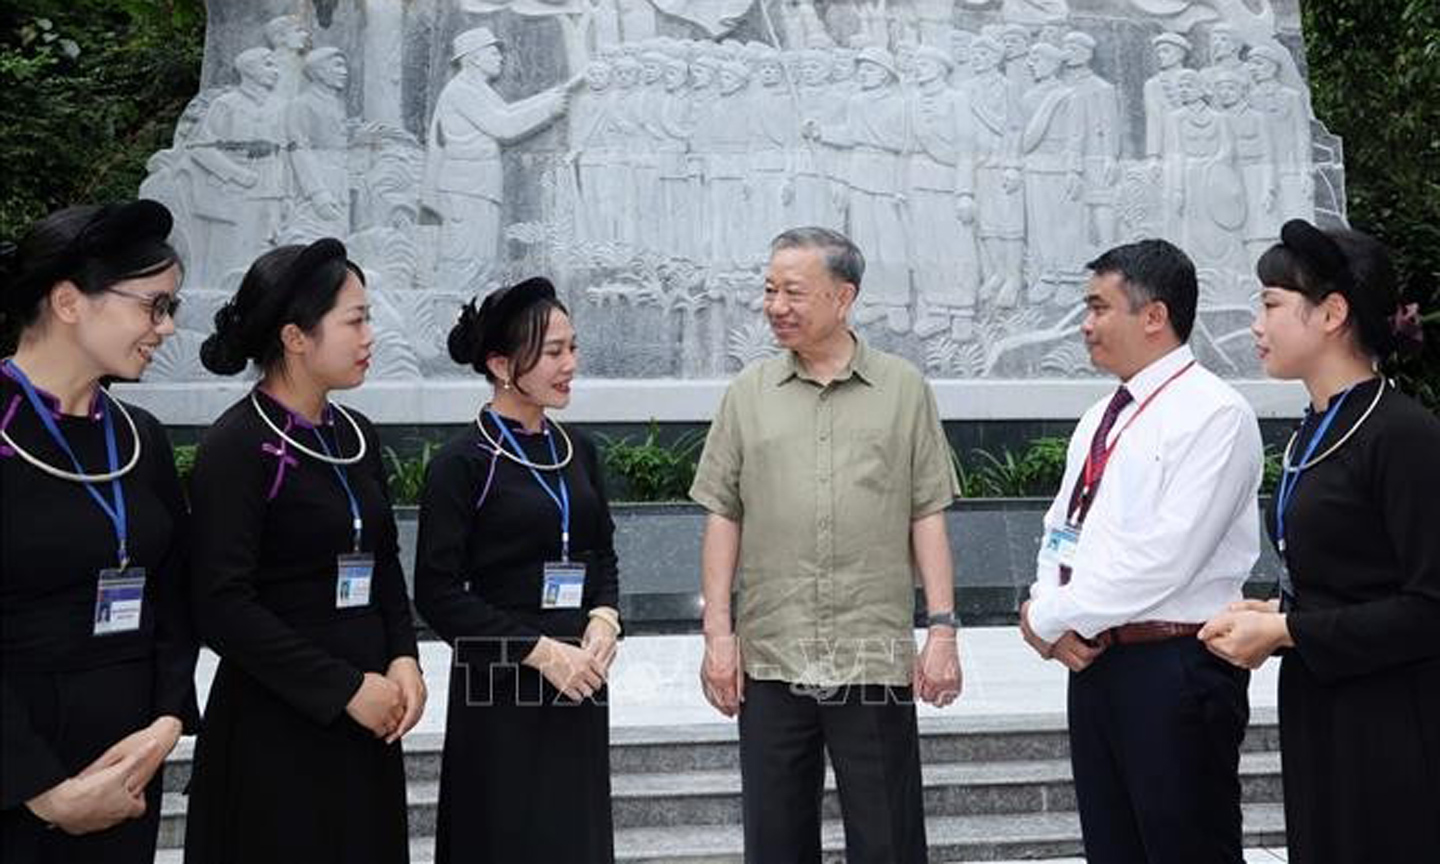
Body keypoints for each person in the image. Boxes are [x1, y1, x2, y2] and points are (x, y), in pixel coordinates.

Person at [690, 227, 962, 864]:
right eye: (769, 290)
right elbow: (722, 515)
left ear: (844, 297)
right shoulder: (748, 394)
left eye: (793, 292)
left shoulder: (903, 389)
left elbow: (928, 512)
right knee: (776, 841)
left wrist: (943, 631)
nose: (776, 306)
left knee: (888, 838)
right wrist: (718, 637)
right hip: (771, 656)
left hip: (869, 656)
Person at [1199, 219, 1440, 862]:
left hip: (1394, 726)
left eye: (1272, 304)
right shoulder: (1315, 430)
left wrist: (1289, 632)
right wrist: (1277, 616)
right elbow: (1350, 582)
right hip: (1321, 711)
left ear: (1332, 313)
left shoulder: (1403, 436)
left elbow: (1429, 608)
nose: (1256, 324)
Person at [1018, 239, 1262, 864]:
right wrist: (1048, 612)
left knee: (1185, 845)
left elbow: (1167, 557)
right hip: (1099, 664)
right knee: (1113, 845)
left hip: (1176, 665)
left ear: (1153, 316)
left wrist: (1051, 618)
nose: (1086, 324)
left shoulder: (1215, 414)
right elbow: (1061, 526)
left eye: (1099, 308)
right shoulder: (1104, 412)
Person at [183, 238, 424, 864]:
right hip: (278, 726)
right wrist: (342, 688)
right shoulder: (237, 446)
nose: (371, 333)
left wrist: (404, 658)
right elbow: (221, 606)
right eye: (356, 319)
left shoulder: (355, 435)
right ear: (295, 337)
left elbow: (384, 564)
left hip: (370, 715)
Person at [0, 200, 198, 863]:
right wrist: (42, 790)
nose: (165, 328)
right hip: (21, 775)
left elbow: (176, 593)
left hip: (128, 771)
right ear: (67, 301)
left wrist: (167, 723)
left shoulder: (139, 436)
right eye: (154, 305)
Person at [414, 277, 619, 863]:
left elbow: (600, 551)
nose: (570, 364)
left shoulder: (578, 449)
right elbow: (437, 592)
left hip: (581, 677)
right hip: (501, 683)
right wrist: (540, 652)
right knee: (505, 834)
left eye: (572, 348)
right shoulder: (462, 464)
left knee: (573, 836)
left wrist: (604, 618)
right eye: (553, 352)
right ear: (503, 365)